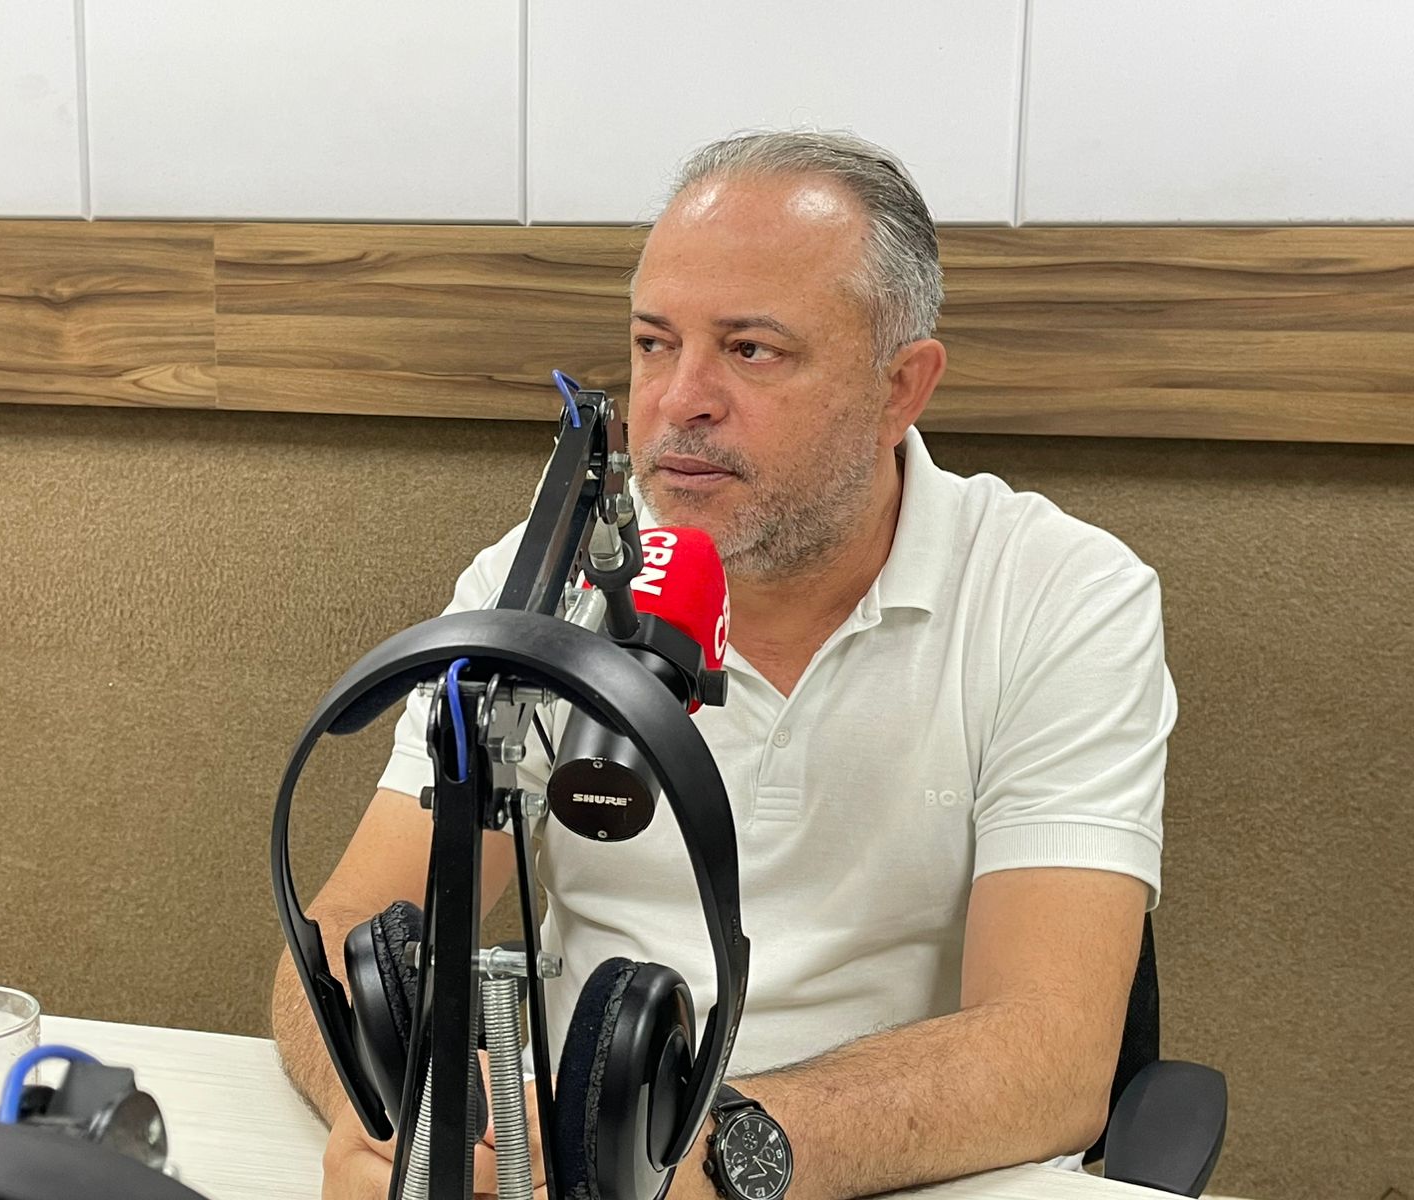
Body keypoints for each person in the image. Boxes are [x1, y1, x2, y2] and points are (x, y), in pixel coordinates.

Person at [273, 130, 1172, 1200]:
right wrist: (399, 1122)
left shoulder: (1059, 596)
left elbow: (1051, 1054)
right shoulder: (538, 585)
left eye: (750, 350)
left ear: (900, 387)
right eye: (655, 344)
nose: (679, 400)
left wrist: (697, 1159)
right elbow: (341, 940)